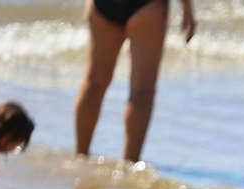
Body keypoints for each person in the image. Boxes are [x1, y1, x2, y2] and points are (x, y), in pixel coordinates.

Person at [74, 0, 196, 163]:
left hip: (103, 5)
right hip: (146, 6)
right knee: (142, 90)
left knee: (94, 83)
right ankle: (129, 165)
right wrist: (187, 8)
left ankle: (80, 157)